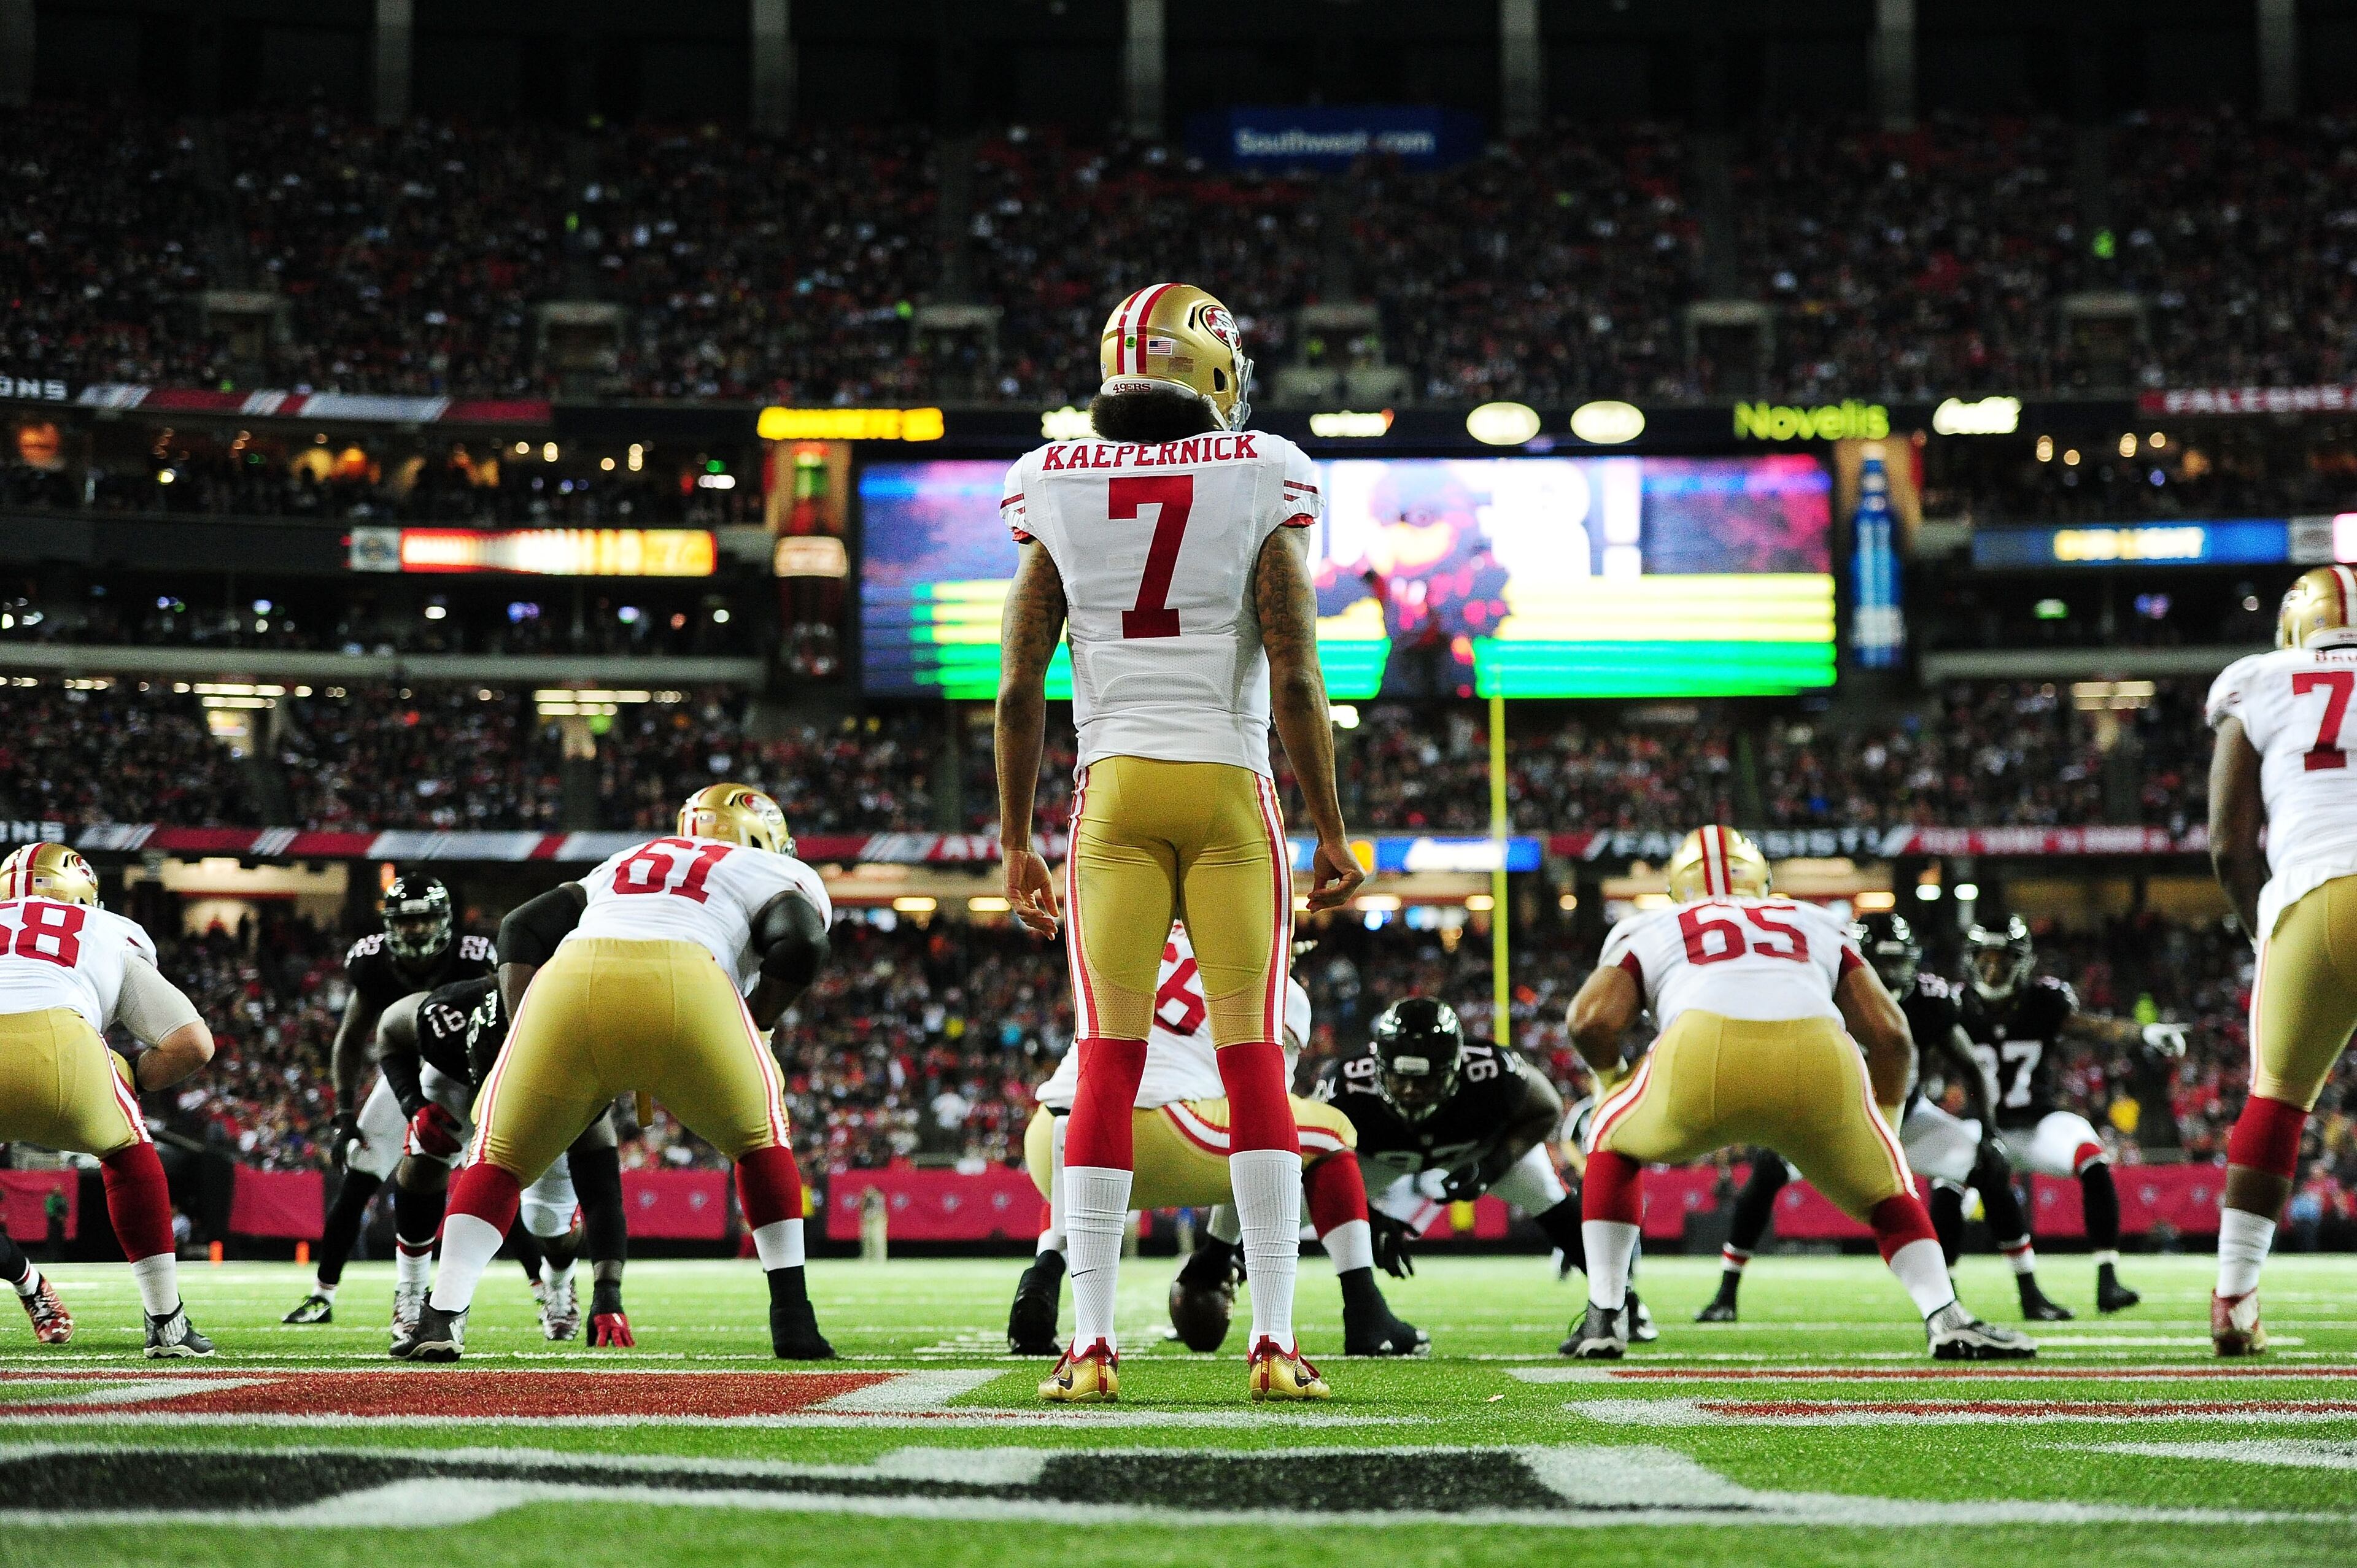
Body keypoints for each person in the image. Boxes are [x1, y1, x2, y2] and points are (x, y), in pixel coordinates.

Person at [994, 282, 1365, 1404]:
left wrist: (1015, 838)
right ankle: (1273, 1343)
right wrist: (1338, 835)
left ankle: (1092, 1345)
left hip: (1111, 795)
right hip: (1228, 788)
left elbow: (1018, 686)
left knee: (1107, 1060)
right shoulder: (1263, 467)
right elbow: (1297, 670)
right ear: (1210, 370)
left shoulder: (1045, 481)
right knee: (1256, 1064)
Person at [393, 784, 830, 1362]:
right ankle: (793, 1318)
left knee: (496, 1158)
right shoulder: (772, 870)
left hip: (570, 980)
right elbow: (802, 941)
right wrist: (758, 1022)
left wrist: (527, 1022)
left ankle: (442, 1315)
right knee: (760, 1142)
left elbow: (521, 927)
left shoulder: (629, 859)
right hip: (691, 985)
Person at [1562, 826, 2032, 1361]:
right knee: (1886, 1191)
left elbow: (1589, 1019)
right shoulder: (1812, 918)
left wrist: (1611, 1077)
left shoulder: (1652, 924)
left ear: (1678, 887)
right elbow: (1892, 1036)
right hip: (1820, 1054)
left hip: (1702, 1054)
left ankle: (1605, 1315)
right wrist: (1884, 1125)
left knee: (1610, 1137)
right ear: (1760, 882)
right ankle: (1946, 1316)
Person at [1010, 925, 1424, 1360]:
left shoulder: (1128, 943)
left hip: (1048, 1136)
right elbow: (1262, 1123)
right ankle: (1365, 1312)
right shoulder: (1277, 985)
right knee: (1331, 1131)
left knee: (1082, 1136)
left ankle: (1044, 1273)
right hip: (1158, 1135)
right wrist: (1218, 1253)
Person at [1698, 913, 2073, 1323]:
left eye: (1899, 960)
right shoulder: (1821, 994)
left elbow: (1971, 1067)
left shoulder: (1928, 1001)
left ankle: (2031, 1292)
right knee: (1768, 1168)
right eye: (1882, 961)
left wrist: (1990, 1133)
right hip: (1828, 1122)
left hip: (1904, 1120)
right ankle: (1725, 1293)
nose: (1893, 971)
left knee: (1989, 1166)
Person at [2204, 566, 2357, 1353]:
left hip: (2317, 891)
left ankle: (2235, 1299)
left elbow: (2229, 845)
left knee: (2278, 1098)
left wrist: (2263, 930)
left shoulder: (2261, 678)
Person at [1312, 998, 1649, 1348]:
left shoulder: (1491, 1071)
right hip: (1377, 1157)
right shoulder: (1345, 1085)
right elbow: (1307, 1153)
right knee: (1305, 1190)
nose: (1411, 1092)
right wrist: (1369, 1217)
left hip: (1478, 1149)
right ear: (1379, 1068)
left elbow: (1546, 1110)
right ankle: (1363, 1314)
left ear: (1455, 1069)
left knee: (1544, 1191)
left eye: (1425, 1081)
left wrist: (1492, 1167)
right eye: (1400, 1079)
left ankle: (1620, 1304)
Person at [0, 844, 216, 1356]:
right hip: (60, 1046)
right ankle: (167, 1322)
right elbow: (192, 1044)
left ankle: (28, 1281)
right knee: (127, 1146)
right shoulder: (106, 929)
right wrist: (128, 1080)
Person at [284, 876, 495, 1325]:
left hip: (465, 1076)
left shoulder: (472, 958)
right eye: (406, 920)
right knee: (360, 1177)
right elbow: (351, 1039)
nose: (416, 930)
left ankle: (547, 1290)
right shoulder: (374, 963)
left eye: (424, 919)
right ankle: (323, 1294)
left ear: (444, 921)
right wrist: (343, 1110)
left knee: (493, 1172)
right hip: (401, 1069)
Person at [1957, 915, 2183, 1315]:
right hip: (1983, 1127)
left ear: (2022, 962)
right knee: (1947, 1184)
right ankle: (1950, 1295)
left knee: (2092, 1156)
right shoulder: (1955, 1005)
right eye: (1986, 959)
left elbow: (2091, 1027)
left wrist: (2142, 1032)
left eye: (2003, 959)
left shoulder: (2042, 1001)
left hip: (2037, 1124)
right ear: (1971, 959)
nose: (1993, 969)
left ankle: (2108, 1278)